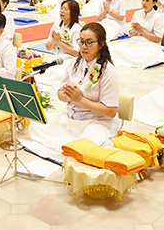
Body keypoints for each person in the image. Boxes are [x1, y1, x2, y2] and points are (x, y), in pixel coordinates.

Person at [25, 23, 120, 157]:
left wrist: (80, 99)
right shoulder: (74, 63)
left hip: (97, 122)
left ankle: (79, 146)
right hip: (72, 118)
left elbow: (110, 111)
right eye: (81, 41)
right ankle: (74, 146)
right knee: (37, 125)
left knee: (85, 144)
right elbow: (59, 93)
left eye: (89, 42)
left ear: (101, 44)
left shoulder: (108, 71)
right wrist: (67, 95)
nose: (83, 46)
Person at [109, 0, 164, 69]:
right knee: (114, 49)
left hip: (150, 44)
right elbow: (131, 33)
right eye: (143, 0)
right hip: (135, 41)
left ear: (154, 3)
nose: (144, 3)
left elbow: (158, 38)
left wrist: (141, 31)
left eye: (147, 1)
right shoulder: (137, 13)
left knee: (146, 56)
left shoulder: (158, 17)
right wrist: (136, 30)